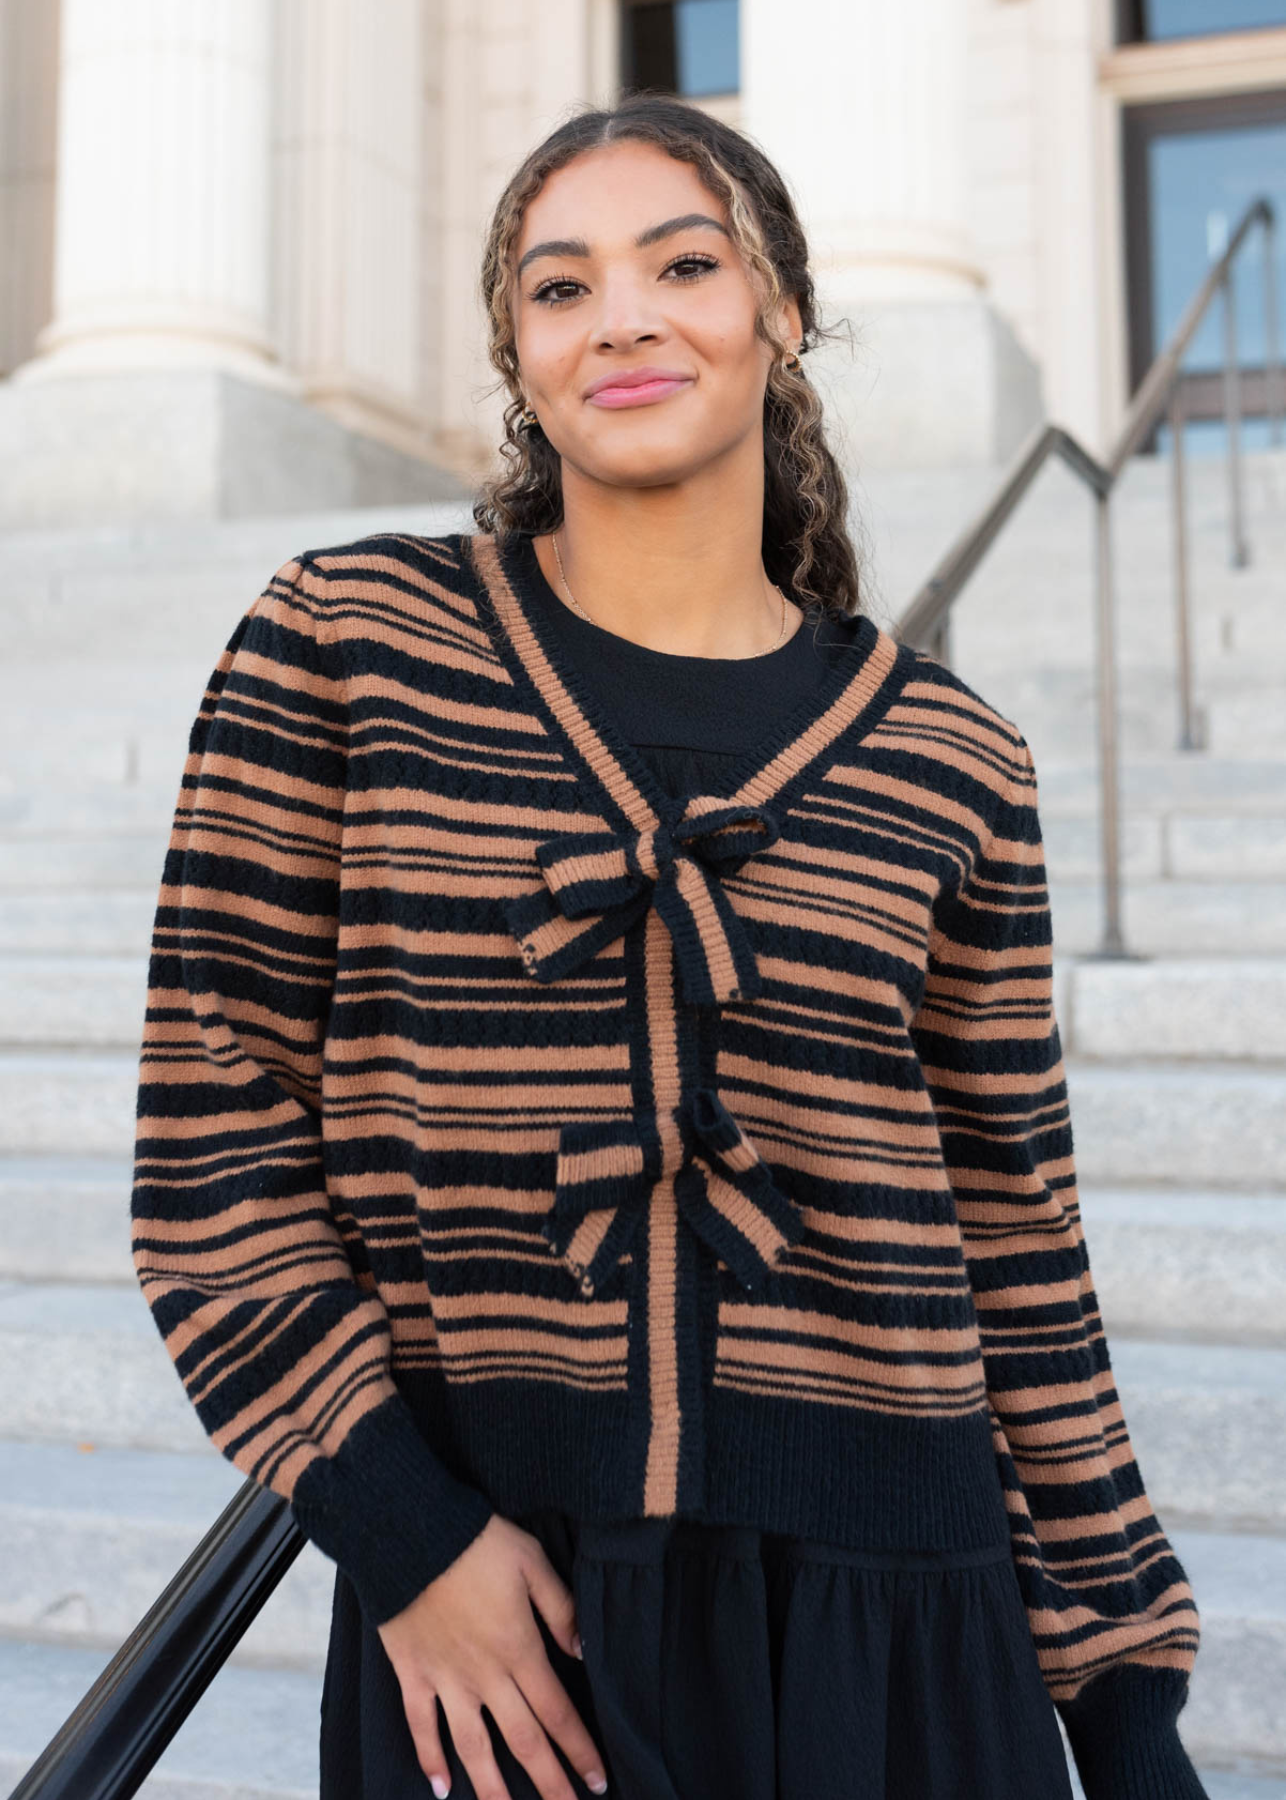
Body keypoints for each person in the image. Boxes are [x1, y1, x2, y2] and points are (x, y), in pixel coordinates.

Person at [130, 93, 1208, 1800]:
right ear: (516, 354)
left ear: (780, 313)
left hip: (906, 1633)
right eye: (559, 289)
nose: (620, 316)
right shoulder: (342, 646)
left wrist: (1126, 1713)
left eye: (682, 264)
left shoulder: (954, 757)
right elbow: (213, 1142)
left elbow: (1018, 1245)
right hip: (502, 1641)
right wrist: (402, 1534)